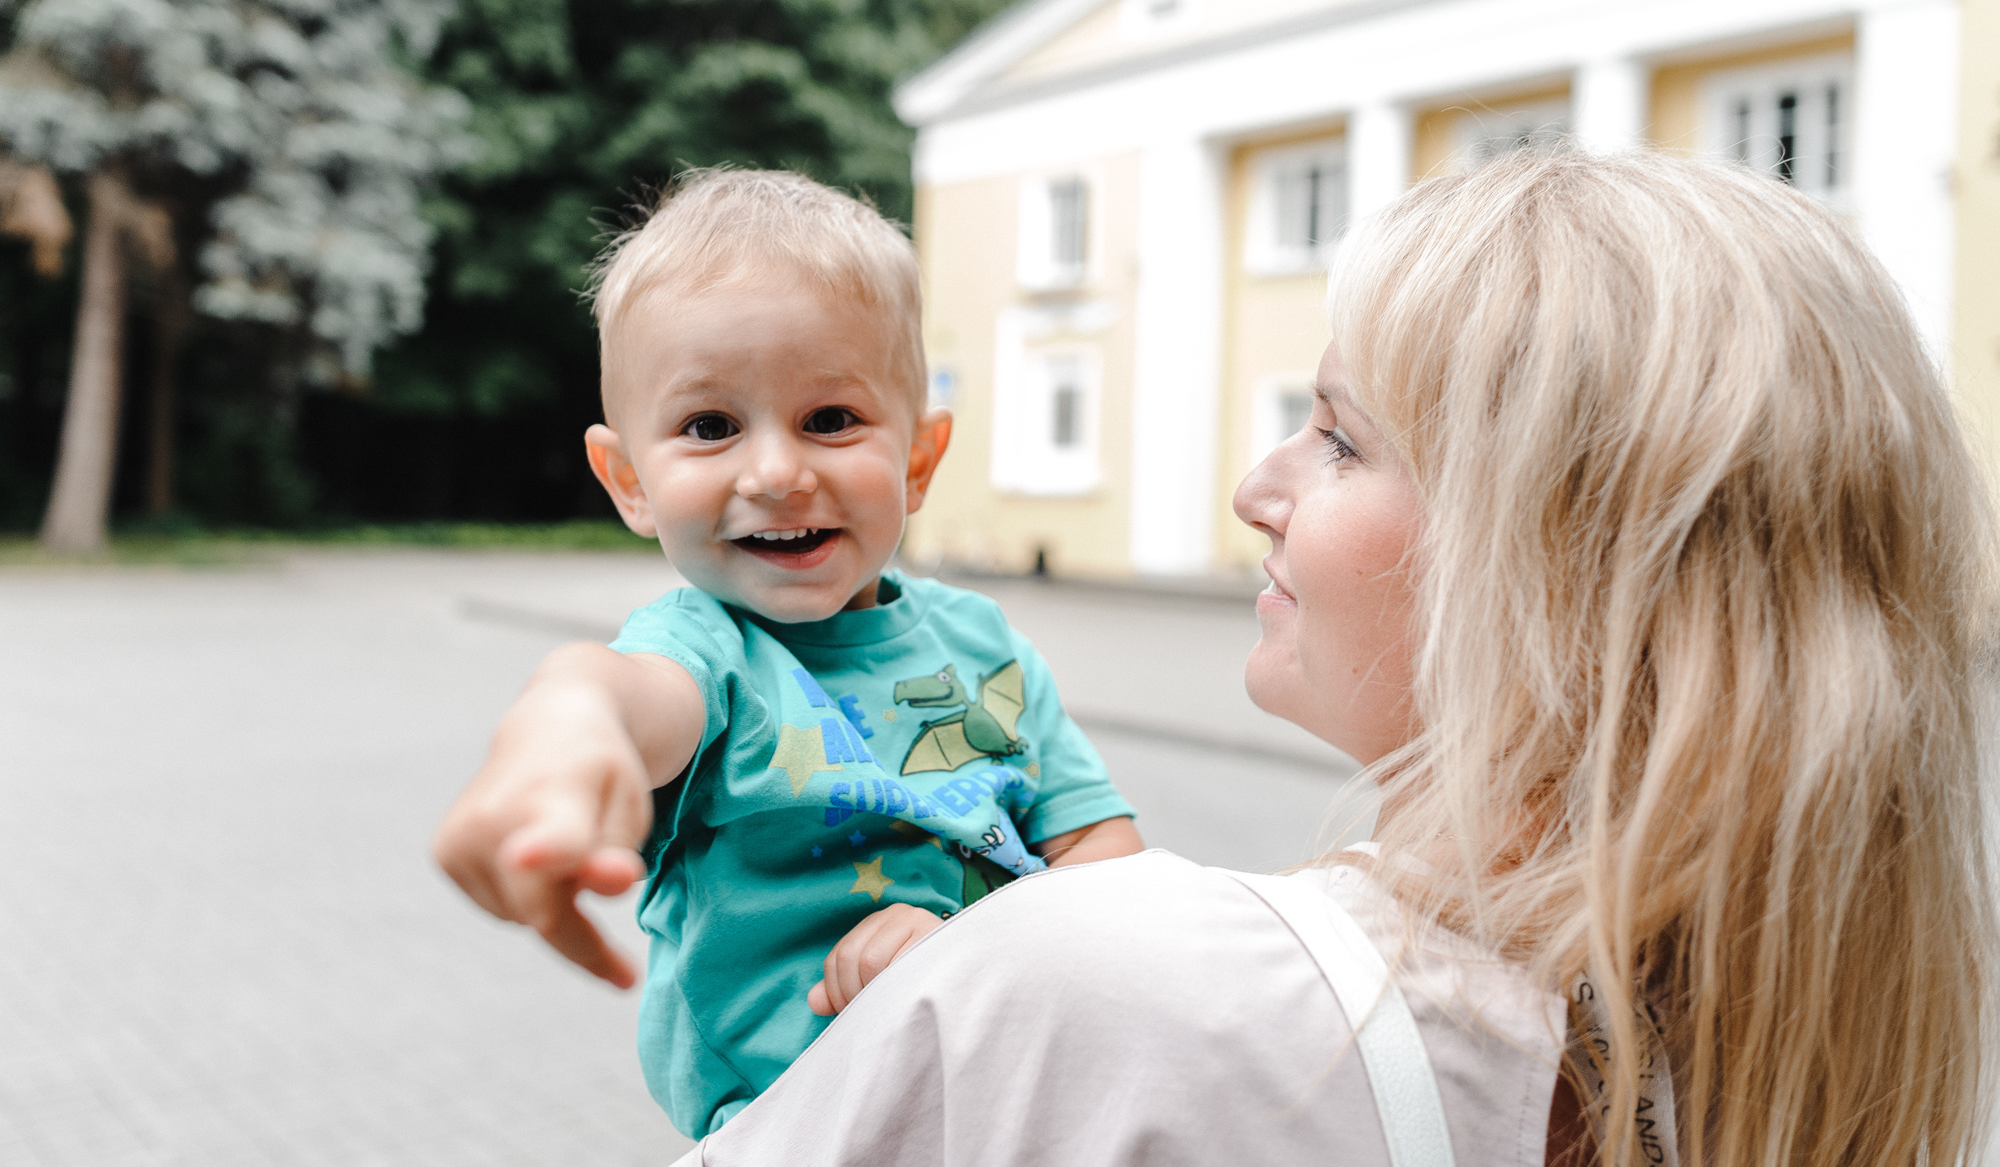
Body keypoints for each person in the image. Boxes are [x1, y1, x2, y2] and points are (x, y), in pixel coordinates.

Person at [649, 153, 1997, 1167]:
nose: (1256, 484)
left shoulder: (1090, 984)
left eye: (1341, 439)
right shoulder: (1785, 1056)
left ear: (1556, 557)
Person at [431, 169, 1142, 1139]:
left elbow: (1105, 862)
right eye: (710, 426)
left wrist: (970, 950)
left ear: (919, 459)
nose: (775, 471)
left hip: (1019, 1106)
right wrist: (562, 729)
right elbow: (619, 691)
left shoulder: (984, 645)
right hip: (804, 1127)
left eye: (830, 419)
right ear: (629, 481)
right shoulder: (710, 653)